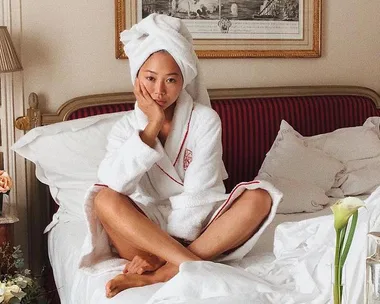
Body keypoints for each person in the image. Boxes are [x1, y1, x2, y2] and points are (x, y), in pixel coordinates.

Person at [78, 13, 282, 298]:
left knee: (261, 196)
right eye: (150, 78)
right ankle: (192, 264)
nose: (159, 91)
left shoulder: (205, 120)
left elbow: (201, 191)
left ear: (184, 80)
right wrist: (150, 128)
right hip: (144, 231)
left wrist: (166, 253)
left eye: (171, 80)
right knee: (104, 197)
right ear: (137, 78)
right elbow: (115, 182)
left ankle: (163, 272)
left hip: (196, 226)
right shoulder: (125, 128)